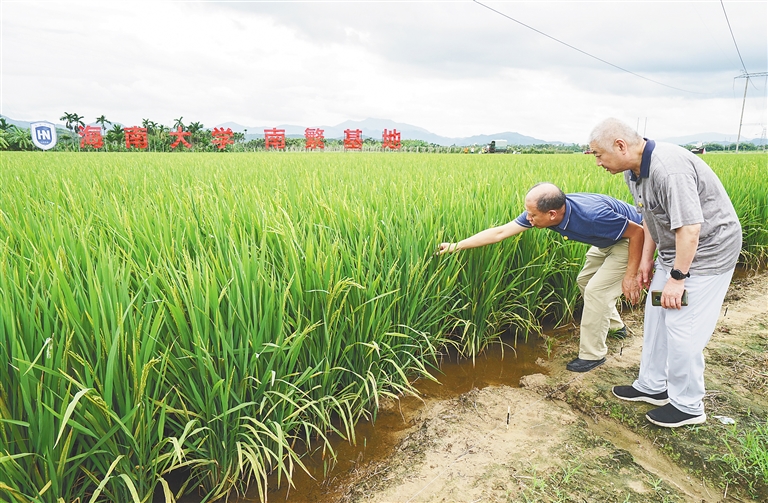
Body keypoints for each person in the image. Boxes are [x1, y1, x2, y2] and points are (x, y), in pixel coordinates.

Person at [588, 117, 742, 428]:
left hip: (706, 255)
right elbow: (650, 219)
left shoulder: (667, 168)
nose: (598, 163)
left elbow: (690, 229)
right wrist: (647, 261)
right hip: (674, 254)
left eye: (599, 155)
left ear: (620, 146)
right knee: (657, 316)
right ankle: (653, 386)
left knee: (682, 325)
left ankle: (688, 405)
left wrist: (677, 279)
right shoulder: (634, 173)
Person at [437, 182, 644, 372]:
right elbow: (500, 232)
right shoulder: (544, 211)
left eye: (532, 215)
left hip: (630, 239)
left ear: (552, 214)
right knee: (585, 281)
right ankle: (617, 327)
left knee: (597, 291)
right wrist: (457, 246)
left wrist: (632, 274)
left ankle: (593, 355)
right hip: (607, 239)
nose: (528, 219)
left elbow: (638, 233)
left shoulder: (592, 216)